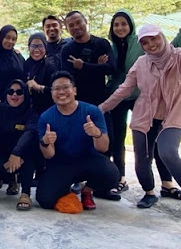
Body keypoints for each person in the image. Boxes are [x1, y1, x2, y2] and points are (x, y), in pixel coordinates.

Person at [99, 25, 181, 208]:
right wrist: (101, 109)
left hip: (172, 115)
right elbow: (124, 89)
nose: (151, 44)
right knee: (142, 157)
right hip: (144, 116)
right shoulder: (141, 63)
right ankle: (149, 193)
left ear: (162, 36)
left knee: (168, 152)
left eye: (154, 39)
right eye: (145, 42)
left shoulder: (179, 57)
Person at [36, 71, 119, 211]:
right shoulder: (46, 117)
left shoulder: (92, 111)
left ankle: (87, 191)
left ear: (74, 90)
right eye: (56, 89)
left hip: (88, 159)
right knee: (45, 199)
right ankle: (67, 192)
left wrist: (96, 133)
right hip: (61, 163)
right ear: (51, 93)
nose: (61, 92)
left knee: (111, 174)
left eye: (65, 87)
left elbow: (103, 148)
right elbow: (48, 155)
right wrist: (45, 142)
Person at [0, 80, 38, 210]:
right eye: (10, 92)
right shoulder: (0, 108)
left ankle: (25, 193)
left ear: (25, 95)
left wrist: (17, 152)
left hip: (25, 153)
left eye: (19, 92)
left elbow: (31, 132)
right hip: (4, 153)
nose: (14, 95)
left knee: (28, 159)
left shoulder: (31, 112)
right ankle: (12, 179)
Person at [60, 11, 115, 106]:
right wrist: (98, 67)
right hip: (77, 102)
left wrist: (83, 66)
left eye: (78, 22)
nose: (76, 27)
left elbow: (111, 68)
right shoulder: (67, 50)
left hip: (100, 100)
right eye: (71, 25)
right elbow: (69, 78)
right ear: (67, 29)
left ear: (85, 21)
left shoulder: (101, 43)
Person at [23, 32, 56, 114]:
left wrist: (38, 87)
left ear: (45, 47)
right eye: (33, 46)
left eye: (40, 46)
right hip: (28, 110)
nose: (36, 50)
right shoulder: (26, 64)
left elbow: (56, 90)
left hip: (47, 109)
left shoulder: (51, 65)